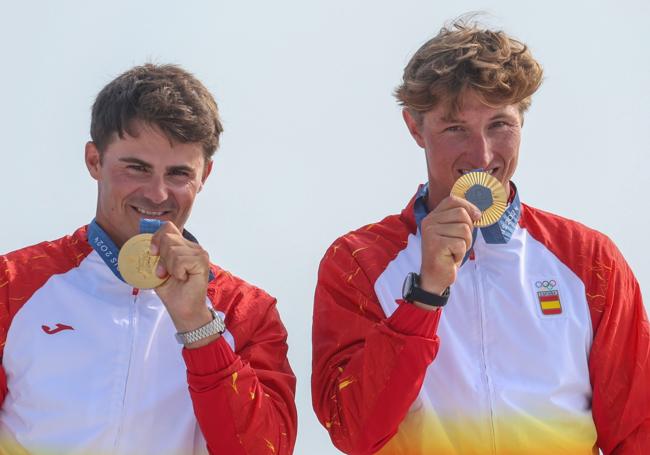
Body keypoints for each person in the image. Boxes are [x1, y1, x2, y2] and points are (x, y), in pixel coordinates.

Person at [311, 19, 650, 455]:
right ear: (415, 129)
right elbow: (354, 432)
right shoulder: (357, 261)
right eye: (455, 129)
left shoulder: (589, 258)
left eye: (499, 125)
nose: (483, 155)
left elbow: (638, 429)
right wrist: (425, 295)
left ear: (523, 121)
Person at [0, 64, 296, 454]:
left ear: (204, 175)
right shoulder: (13, 283)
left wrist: (199, 328)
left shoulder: (244, 310)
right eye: (136, 168)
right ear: (94, 161)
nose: (157, 194)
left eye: (178, 174)